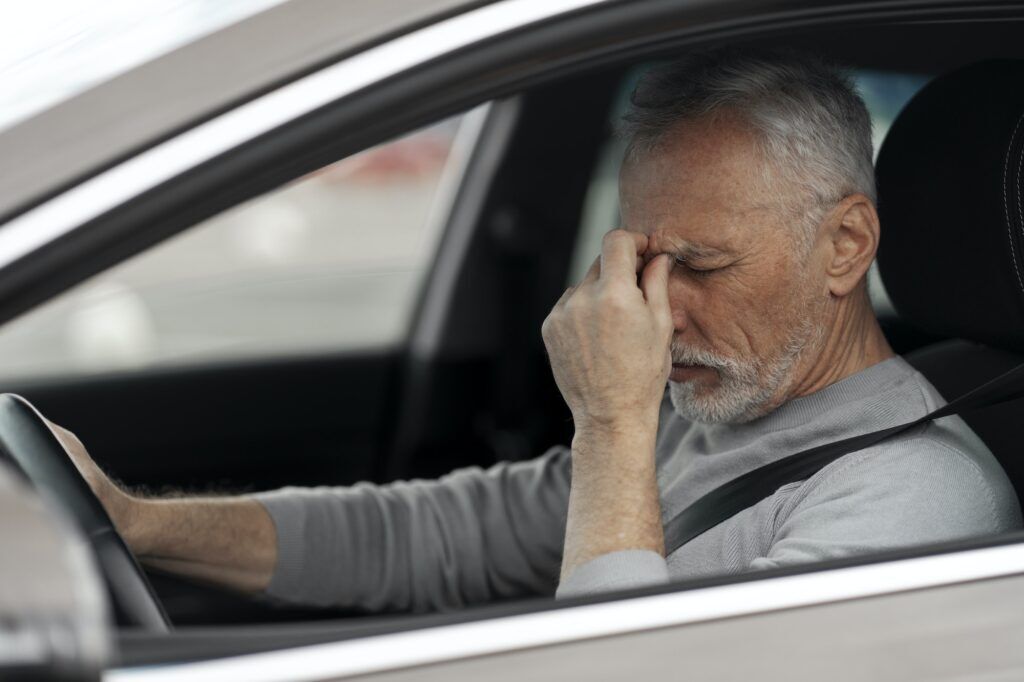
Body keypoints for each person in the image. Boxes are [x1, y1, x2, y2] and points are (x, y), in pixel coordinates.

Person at [54, 49, 1021, 613]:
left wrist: (610, 424)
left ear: (846, 244)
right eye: (643, 260)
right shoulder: (713, 411)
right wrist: (137, 521)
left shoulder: (922, 506)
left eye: (702, 265)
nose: (659, 308)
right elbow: (434, 538)